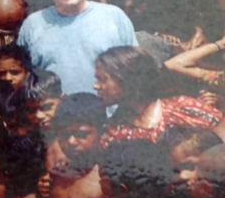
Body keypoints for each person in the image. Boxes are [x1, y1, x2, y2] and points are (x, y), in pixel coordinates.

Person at [17, 0, 138, 95]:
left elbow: (134, 67)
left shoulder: (114, 16)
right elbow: (23, 73)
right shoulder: (33, 24)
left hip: (106, 112)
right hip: (53, 112)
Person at [94, 46, 222, 147]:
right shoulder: (113, 133)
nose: (96, 86)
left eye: (102, 79)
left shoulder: (185, 109)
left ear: (128, 80)